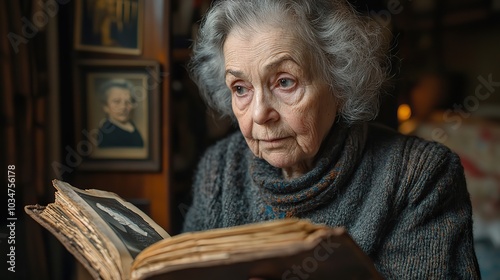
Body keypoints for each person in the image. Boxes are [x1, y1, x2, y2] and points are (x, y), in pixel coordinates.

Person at [182, 0, 480, 278]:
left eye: (285, 82)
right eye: (240, 88)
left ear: (339, 81)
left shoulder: (419, 177)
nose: (260, 114)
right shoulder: (218, 169)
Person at [97, 79, 144, 148]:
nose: (123, 107)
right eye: (117, 101)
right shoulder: (106, 134)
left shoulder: (131, 124)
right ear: (106, 107)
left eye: (128, 101)